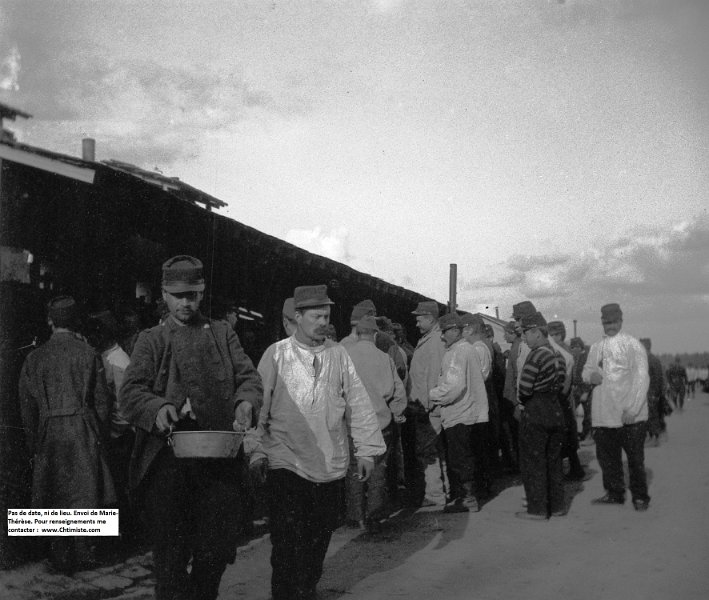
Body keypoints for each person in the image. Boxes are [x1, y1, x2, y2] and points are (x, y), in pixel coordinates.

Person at [120, 255, 263, 600]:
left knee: (215, 553)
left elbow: (249, 378)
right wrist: (159, 407)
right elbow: (130, 393)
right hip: (167, 465)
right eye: (178, 295)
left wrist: (246, 402)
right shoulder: (151, 339)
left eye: (193, 296)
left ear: (201, 293)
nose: (186, 303)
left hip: (218, 462)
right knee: (170, 560)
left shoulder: (221, 333)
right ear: (164, 295)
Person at [250, 285, 385, 600]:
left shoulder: (338, 355)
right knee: (285, 537)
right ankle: (285, 593)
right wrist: (255, 449)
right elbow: (259, 404)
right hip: (286, 459)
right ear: (297, 317)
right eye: (317, 315)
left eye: (327, 315)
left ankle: (307, 585)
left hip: (329, 462)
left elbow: (358, 404)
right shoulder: (277, 354)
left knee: (319, 533)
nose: (324, 321)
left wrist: (366, 451)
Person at [19, 296, 116, 573]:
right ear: (74, 322)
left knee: (54, 490)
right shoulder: (88, 354)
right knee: (84, 489)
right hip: (82, 428)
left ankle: (58, 552)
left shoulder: (34, 358)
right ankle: (84, 551)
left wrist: (33, 440)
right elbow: (102, 402)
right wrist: (99, 432)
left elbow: (27, 407)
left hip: (49, 432)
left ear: (50, 321)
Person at [582, 303, 650, 511]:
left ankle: (640, 497)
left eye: (613, 322)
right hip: (604, 415)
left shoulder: (633, 345)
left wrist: (633, 409)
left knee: (635, 460)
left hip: (630, 417)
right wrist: (589, 376)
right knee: (608, 460)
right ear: (602, 323)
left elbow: (642, 378)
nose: (610, 326)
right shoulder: (596, 347)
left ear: (621, 321)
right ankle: (614, 493)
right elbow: (586, 370)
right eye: (606, 323)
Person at [344, 315, 406, 530]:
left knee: (354, 467)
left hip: (353, 423)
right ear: (375, 334)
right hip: (380, 421)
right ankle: (374, 515)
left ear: (357, 334)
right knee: (378, 468)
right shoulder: (384, 358)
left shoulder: (344, 357)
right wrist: (397, 412)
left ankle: (356, 516)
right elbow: (396, 392)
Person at [431, 313, 489, 512]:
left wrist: (431, 394)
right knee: (468, 455)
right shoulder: (468, 349)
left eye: (444, 332)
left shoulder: (457, 352)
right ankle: (470, 495)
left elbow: (453, 387)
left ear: (455, 331)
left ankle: (467, 499)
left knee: (459, 459)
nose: (442, 336)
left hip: (459, 414)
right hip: (471, 412)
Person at [514, 311, 567, 521]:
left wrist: (524, 400)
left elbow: (524, 389)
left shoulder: (535, 355)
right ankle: (557, 507)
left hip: (536, 411)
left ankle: (537, 509)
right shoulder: (558, 355)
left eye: (526, 333)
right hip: (555, 409)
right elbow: (562, 383)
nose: (524, 338)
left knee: (534, 461)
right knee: (553, 461)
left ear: (536, 332)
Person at [402, 300, 447, 507]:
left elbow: (435, 376)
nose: (417, 324)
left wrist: (427, 405)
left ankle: (435, 494)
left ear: (430, 318)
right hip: (426, 406)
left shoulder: (435, 342)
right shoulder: (431, 339)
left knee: (428, 451)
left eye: (419, 319)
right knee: (435, 451)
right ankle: (441, 491)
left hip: (428, 407)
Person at [548, 321, 587, 481]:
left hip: (564, 397)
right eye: (552, 334)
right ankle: (574, 468)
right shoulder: (561, 349)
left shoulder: (563, 351)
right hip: (565, 397)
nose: (555, 337)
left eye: (556, 334)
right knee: (567, 435)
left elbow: (568, 379)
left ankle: (573, 469)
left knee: (565, 434)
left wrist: (561, 394)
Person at [640, 338, 667, 445]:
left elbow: (657, 378)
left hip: (651, 393)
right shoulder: (646, 359)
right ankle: (651, 437)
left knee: (653, 416)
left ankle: (655, 438)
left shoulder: (653, 360)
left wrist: (655, 394)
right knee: (648, 416)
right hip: (646, 392)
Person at [569, 337, 593, 442]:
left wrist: (586, 392)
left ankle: (588, 435)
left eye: (577, 346)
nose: (575, 349)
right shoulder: (572, 358)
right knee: (571, 412)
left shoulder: (586, 358)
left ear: (581, 347)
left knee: (588, 414)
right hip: (574, 389)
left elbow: (588, 376)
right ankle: (575, 435)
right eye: (573, 346)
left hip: (584, 389)